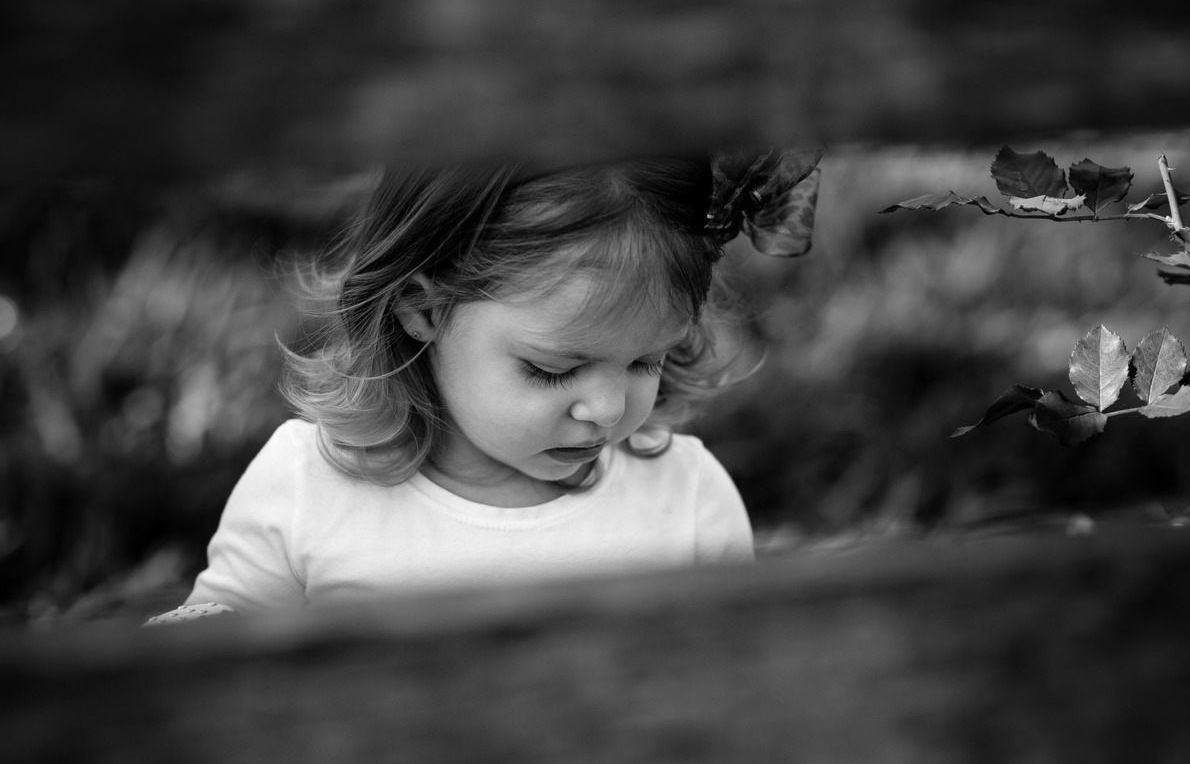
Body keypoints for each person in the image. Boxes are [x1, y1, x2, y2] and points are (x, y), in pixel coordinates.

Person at [145, 149, 821, 623]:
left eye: (647, 361)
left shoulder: (688, 500)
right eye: (553, 369)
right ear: (423, 310)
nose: (608, 409)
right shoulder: (308, 487)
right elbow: (208, 684)